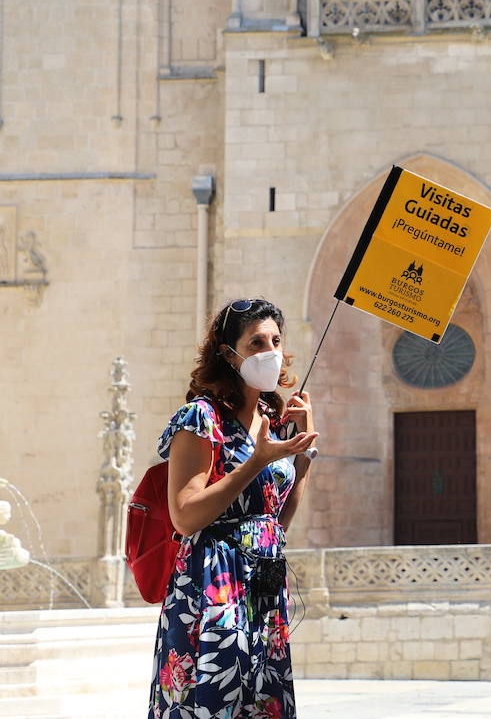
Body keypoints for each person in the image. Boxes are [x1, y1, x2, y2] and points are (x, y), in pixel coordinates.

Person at [148, 298, 318, 719]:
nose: (270, 352)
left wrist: (305, 452)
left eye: (276, 340)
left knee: (262, 700)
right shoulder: (199, 418)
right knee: (215, 697)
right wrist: (256, 462)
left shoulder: (271, 419)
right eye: (257, 342)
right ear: (229, 353)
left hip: (264, 580)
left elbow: (277, 522)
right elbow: (185, 515)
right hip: (213, 580)